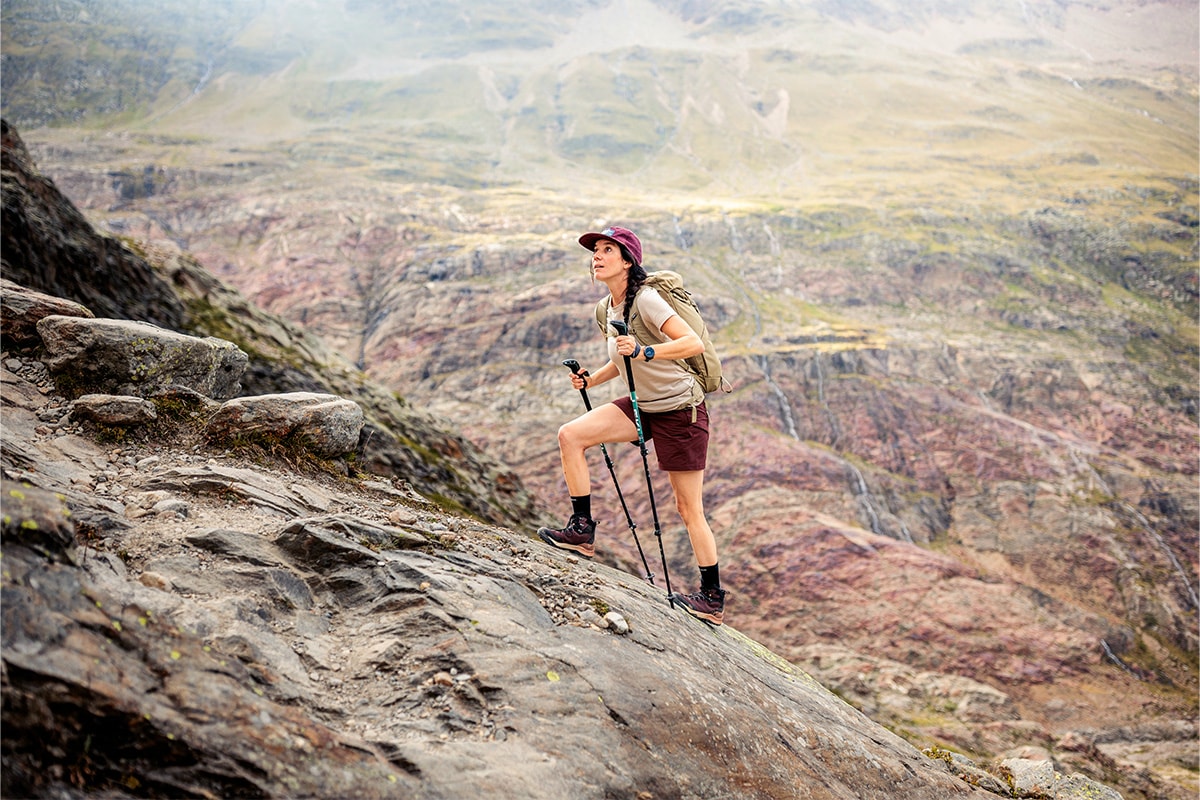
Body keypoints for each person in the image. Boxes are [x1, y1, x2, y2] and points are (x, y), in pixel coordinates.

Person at [537, 226, 727, 625]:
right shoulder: (608, 308)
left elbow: (690, 342)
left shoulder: (648, 300)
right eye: (595, 251)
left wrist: (646, 350)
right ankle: (582, 531)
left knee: (688, 508)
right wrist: (593, 380)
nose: (597, 256)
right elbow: (620, 359)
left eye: (608, 250)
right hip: (642, 406)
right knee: (570, 435)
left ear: (627, 261)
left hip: (680, 410)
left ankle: (711, 598)